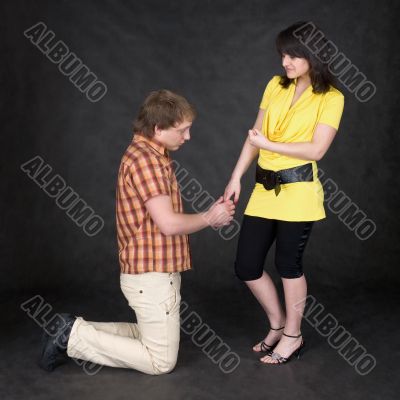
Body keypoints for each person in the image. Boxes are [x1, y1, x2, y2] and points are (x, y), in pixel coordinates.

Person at [39, 89, 235, 374]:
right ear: (158, 128)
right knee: (160, 362)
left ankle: (69, 328)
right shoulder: (147, 161)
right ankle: (72, 336)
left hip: (151, 274)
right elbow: (167, 224)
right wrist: (210, 217)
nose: (188, 137)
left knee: (148, 338)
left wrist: (209, 215)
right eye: (182, 130)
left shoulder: (150, 154)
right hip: (151, 276)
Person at [224, 21, 345, 364]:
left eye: (293, 55)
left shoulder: (332, 98)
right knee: (246, 265)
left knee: (287, 265)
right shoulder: (275, 86)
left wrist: (269, 143)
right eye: (283, 55)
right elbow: (254, 136)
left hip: (299, 192)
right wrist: (236, 178)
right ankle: (277, 324)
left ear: (314, 55)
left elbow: (317, 150)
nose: (285, 62)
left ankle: (293, 334)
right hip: (264, 190)